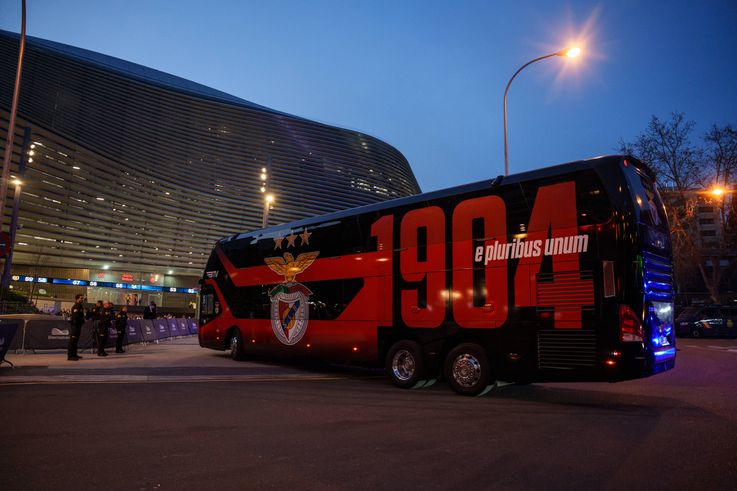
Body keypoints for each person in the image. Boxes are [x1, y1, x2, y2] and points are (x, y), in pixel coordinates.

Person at [67, 294, 86, 361]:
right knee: (72, 341)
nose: (82, 299)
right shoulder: (76, 306)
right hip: (75, 326)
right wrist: (80, 321)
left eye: (83, 298)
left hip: (78, 325)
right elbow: (75, 317)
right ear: (77, 299)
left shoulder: (80, 306)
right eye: (81, 298)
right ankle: (70, 356)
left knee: (75, 341)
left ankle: (74, 354)